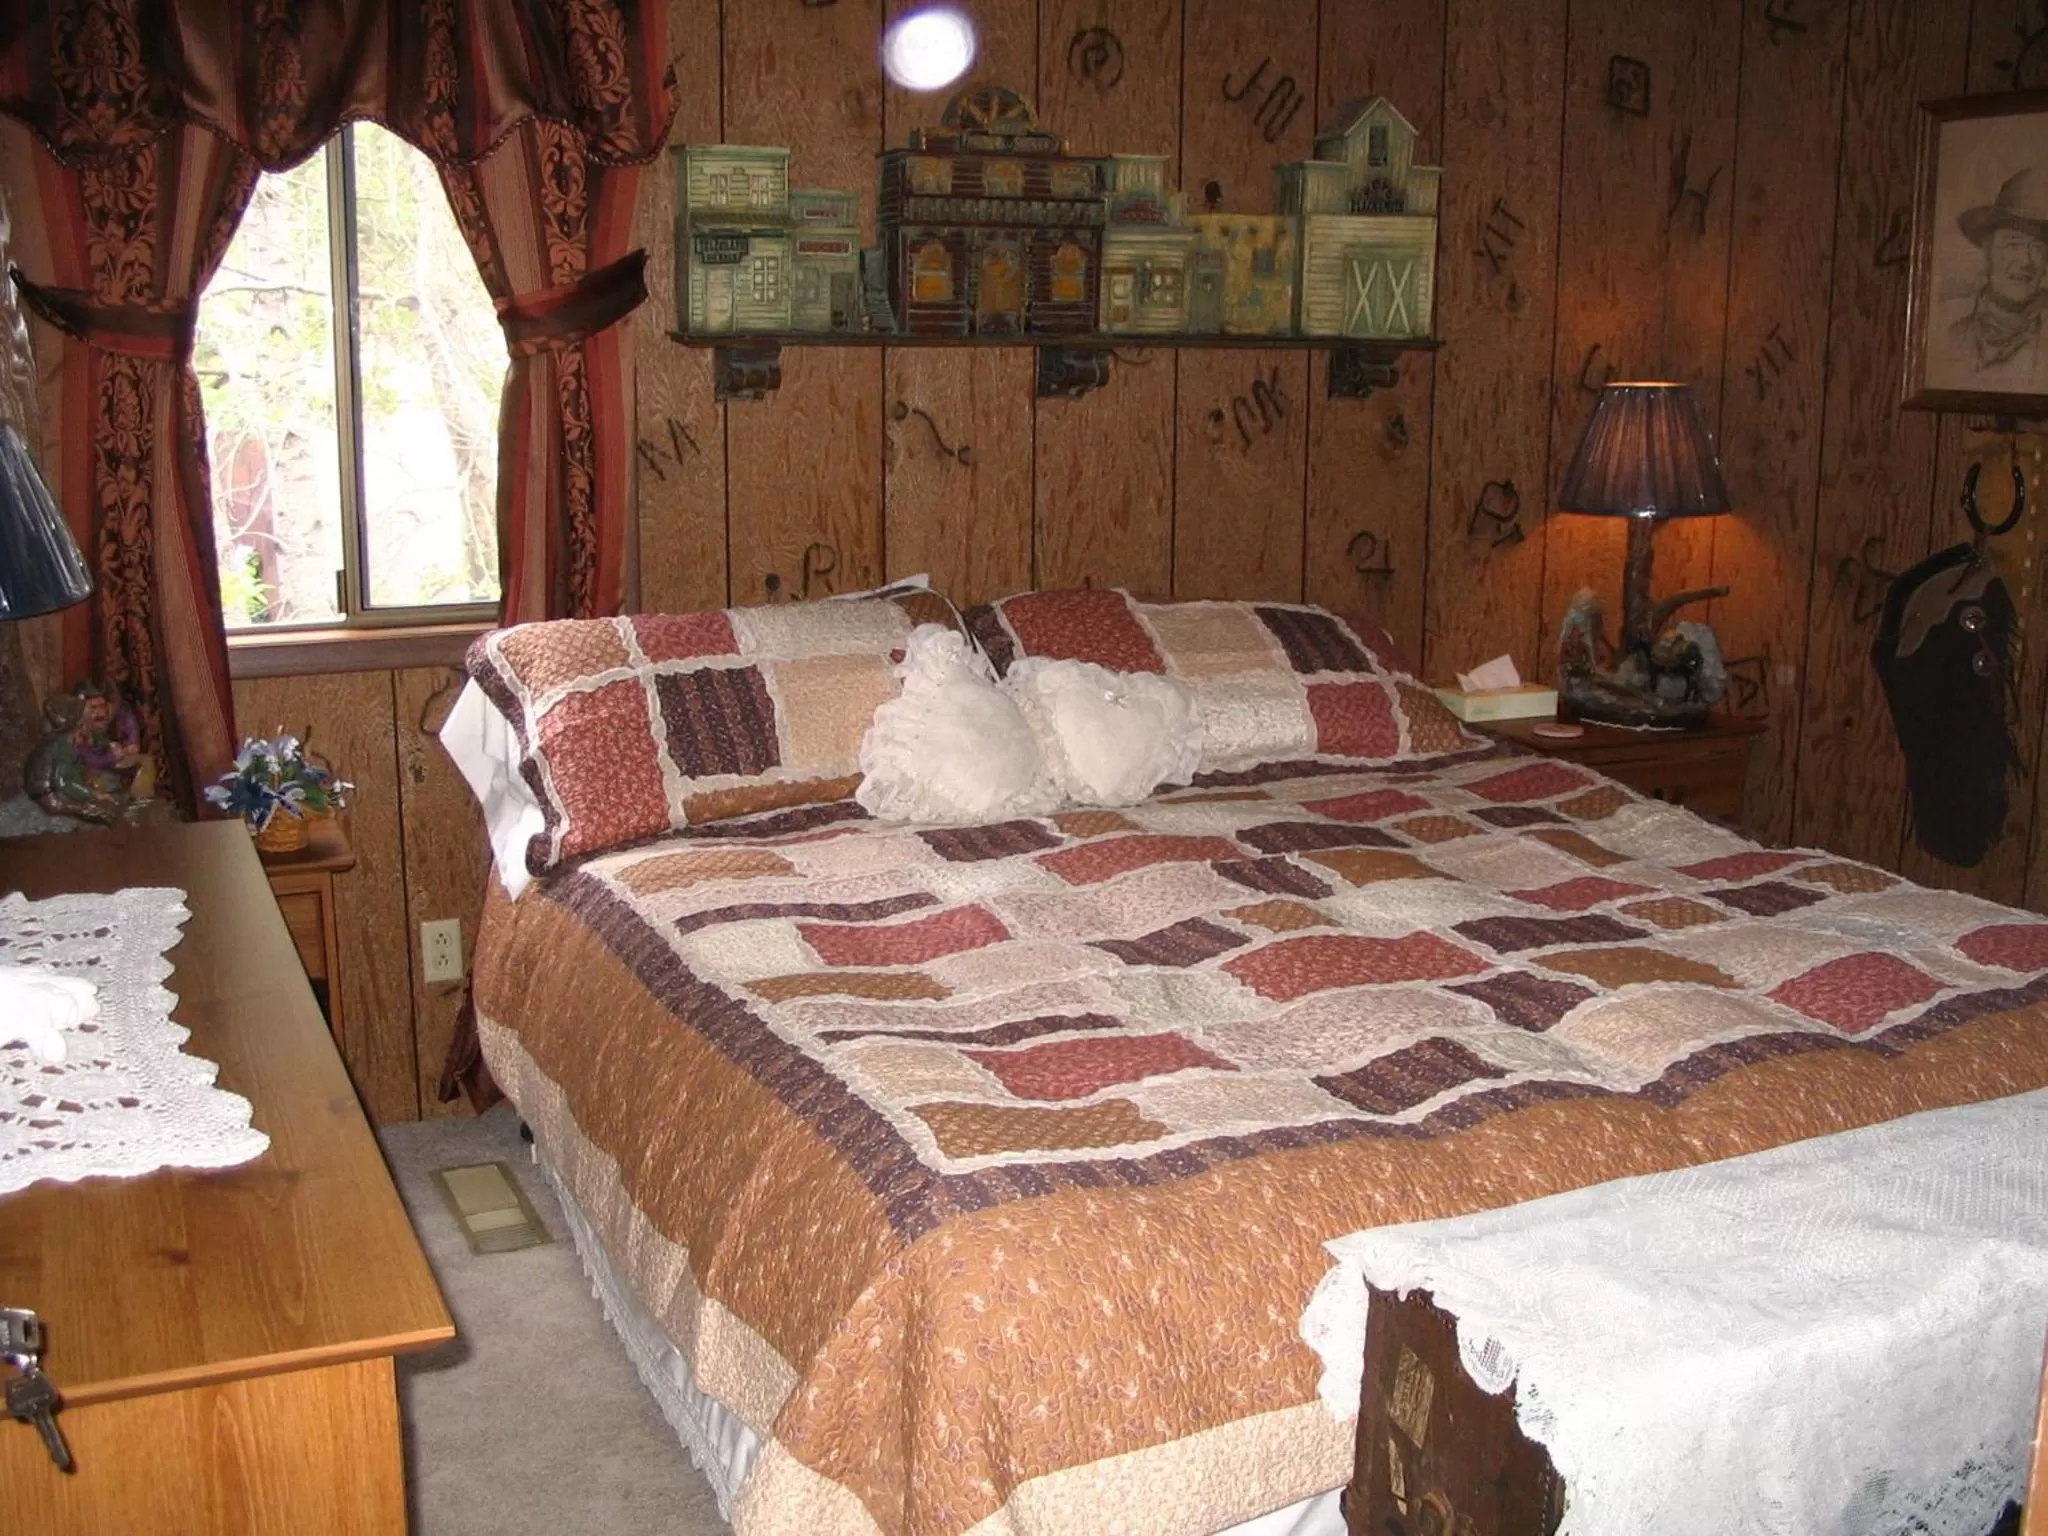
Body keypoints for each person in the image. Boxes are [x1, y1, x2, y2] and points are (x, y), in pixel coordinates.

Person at [1945, 168, 2048, 384]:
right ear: (1988, 252)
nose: (2026, 261)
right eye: (2013, 244)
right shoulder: (1953, 338)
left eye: (2037, 247)